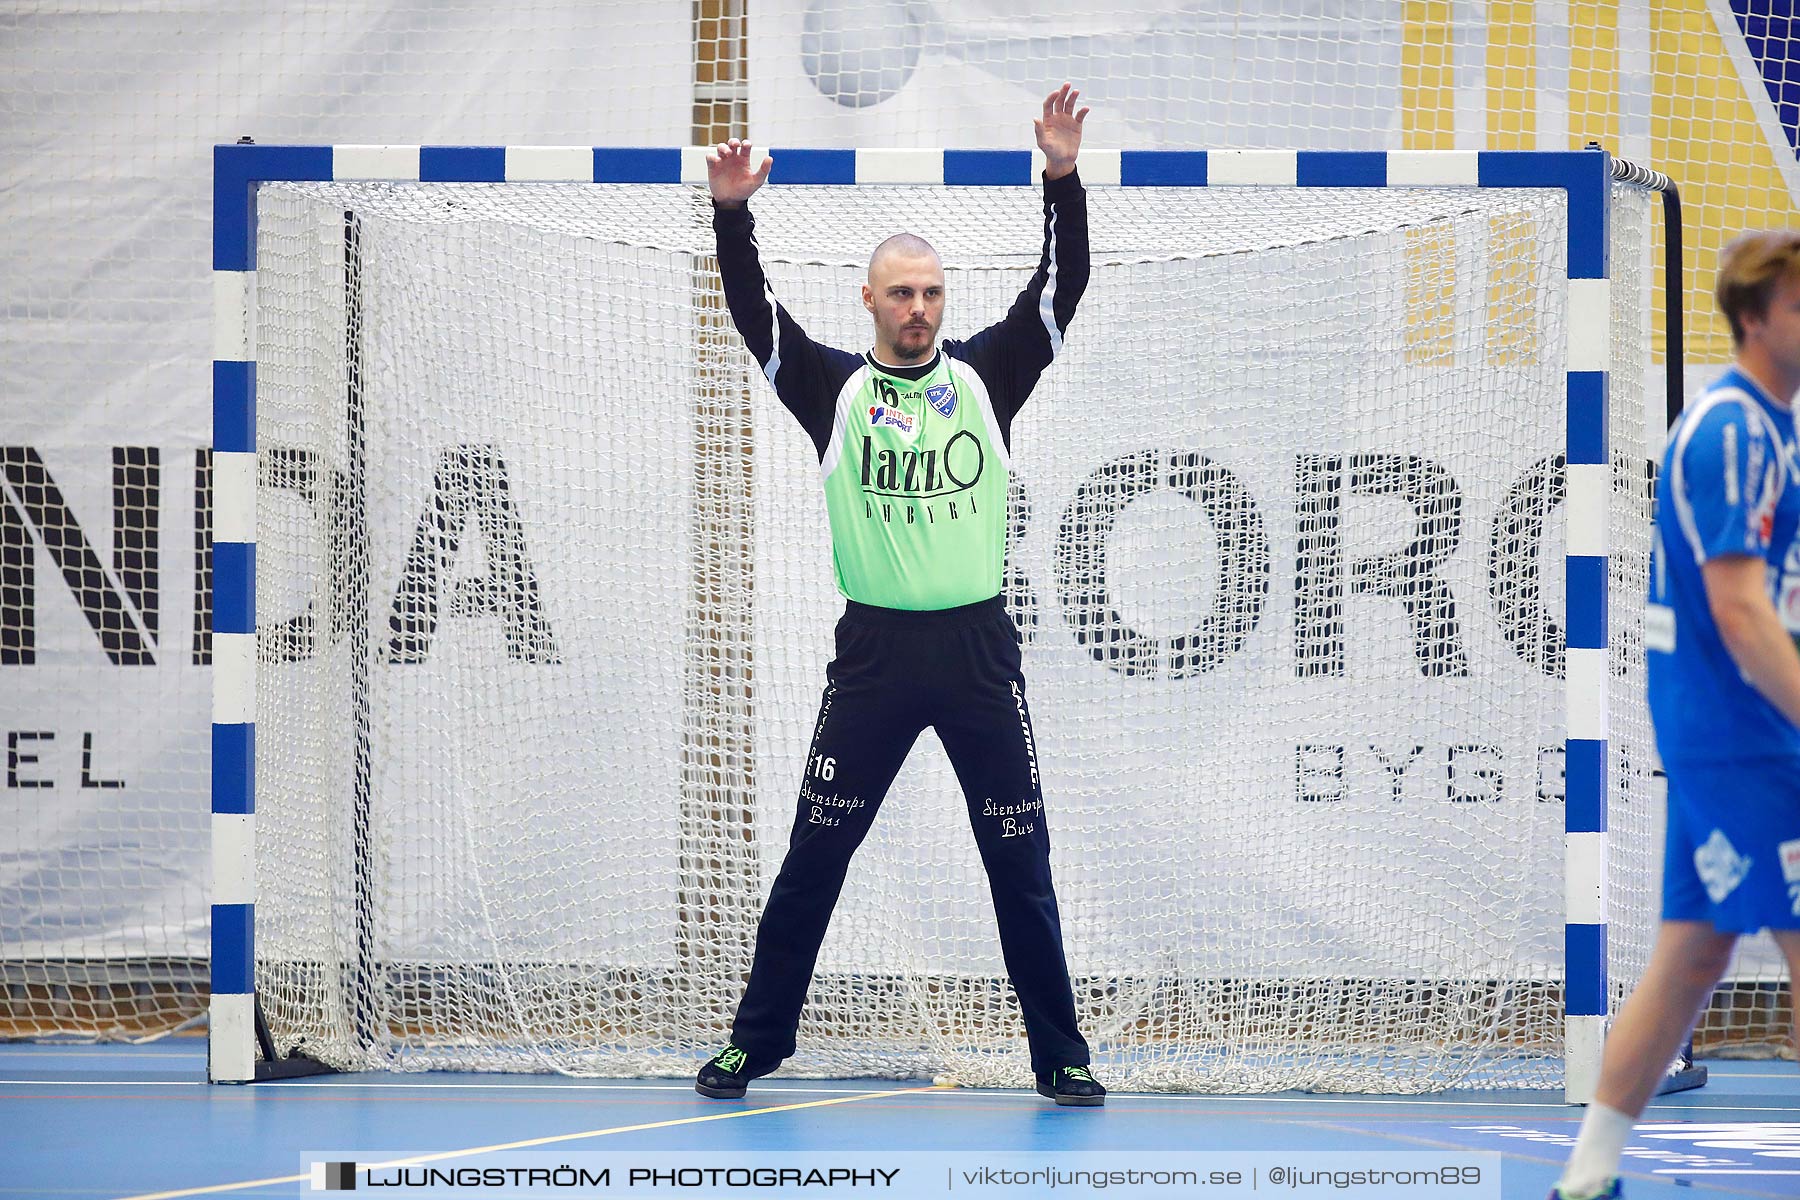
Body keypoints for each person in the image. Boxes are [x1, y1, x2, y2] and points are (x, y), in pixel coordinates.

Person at [692, 84, 1104, 1107]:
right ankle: (757, 1041)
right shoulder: (831, 389)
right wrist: (732, 215)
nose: (918, 308)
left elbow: (1064, 287)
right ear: (869, 303)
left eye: (930, 293)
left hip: (976, 657)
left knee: (1023, 862)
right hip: (873, 661)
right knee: (813, 858)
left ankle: (1062, 1056)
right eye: (900, 294)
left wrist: (1062, 177)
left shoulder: (987, 378)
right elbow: (754, 315)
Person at [1550, 231, 1800, 1199]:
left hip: (1724, 729)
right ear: (1754, 319)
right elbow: (1738, 611)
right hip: (1741, 734)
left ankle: (1587, 1175)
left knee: (1693, 952)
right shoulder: (1734, 431)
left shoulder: (1767, 428)